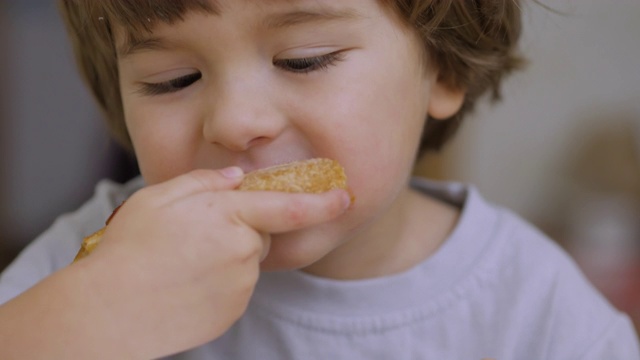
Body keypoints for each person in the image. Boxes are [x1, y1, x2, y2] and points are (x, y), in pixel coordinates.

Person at [0, 0, 638, 358]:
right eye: (173, 80)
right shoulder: (95, 256)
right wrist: (92, 314)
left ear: (443, 68)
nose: (234, 121)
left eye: (304, 60)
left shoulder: (536, 312)